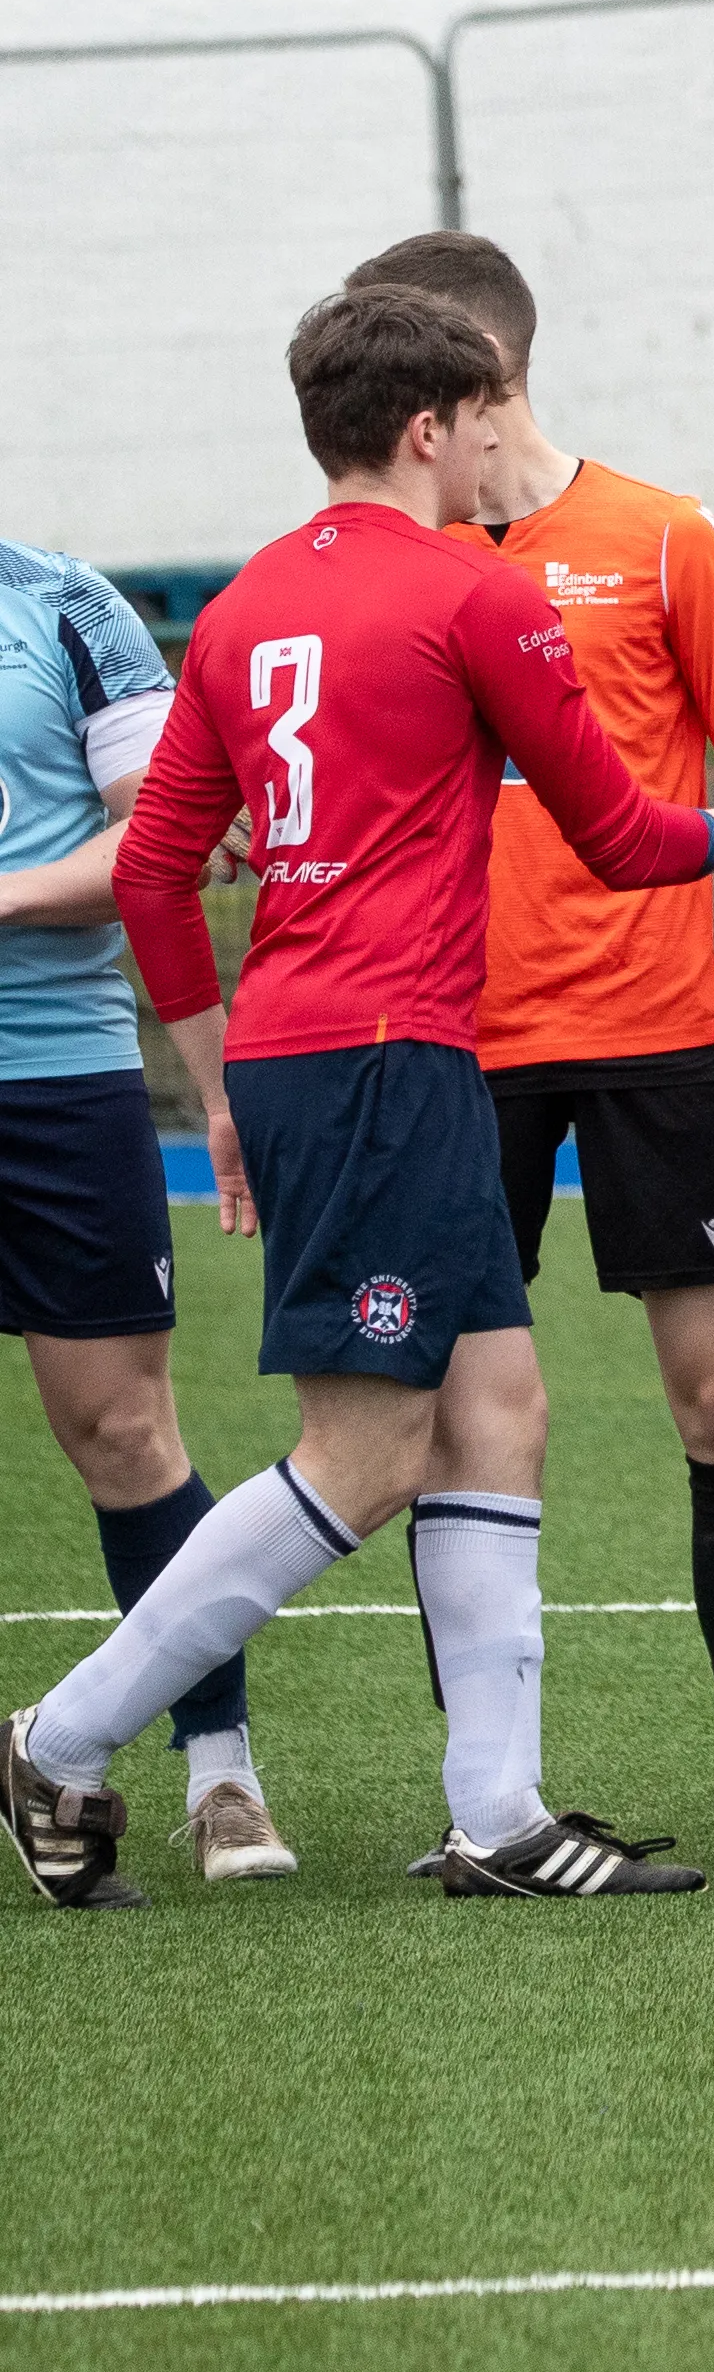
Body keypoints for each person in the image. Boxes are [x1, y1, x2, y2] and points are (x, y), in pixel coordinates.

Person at [8, 281, 714, 1907]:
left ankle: (499, 1812)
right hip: (392, 1059)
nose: (496, 451)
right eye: (481, 423)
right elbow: (621, 837)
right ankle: (58, 1735)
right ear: (426, 427)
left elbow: (161, 876)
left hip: (330, 1052)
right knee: (368, 1452)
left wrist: (217, 1085)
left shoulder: (248, 607)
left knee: (497, 1412)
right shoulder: (476, 595)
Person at [337, 237, 714, 1874]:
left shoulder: (656, 535)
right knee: (444, 1424)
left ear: (489, 371)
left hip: (647, 1038)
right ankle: (485, 1798)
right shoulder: (385, 567)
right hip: (445, 1045)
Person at [0, 528, 287, 1883]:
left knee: (124, 1430)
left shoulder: (61, 605)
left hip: (58, 1077)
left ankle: (219, 1771)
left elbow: (157, 846)